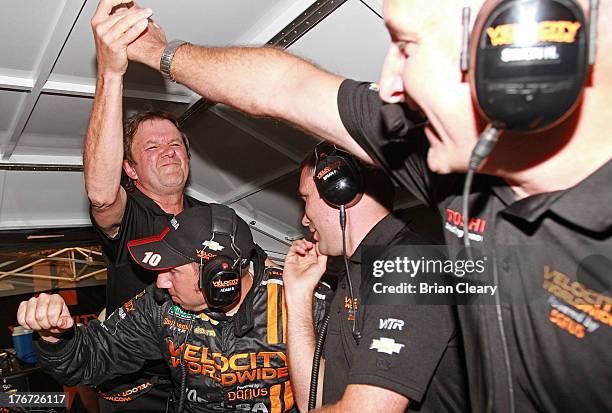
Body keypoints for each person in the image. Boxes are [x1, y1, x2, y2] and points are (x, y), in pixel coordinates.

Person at [120, 0, 612, 411]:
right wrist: (155, 51)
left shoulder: (415, 264)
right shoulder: (441, 183)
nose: (390, 84)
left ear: (525, 54)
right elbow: (281, 87)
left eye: (408, 47)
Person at [17, 205, 306, 413]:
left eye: (173, 271)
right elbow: (93, 356)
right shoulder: (160, 305)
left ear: (220, 279)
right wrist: (55, 337)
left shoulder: (300, 302)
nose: (160, 281)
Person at [85, 1, 207, 409]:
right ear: (131, 170)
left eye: (175, 144)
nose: (169, 152)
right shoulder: (131, 213)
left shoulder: (211, 218)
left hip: (198, 380)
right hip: (135, 393)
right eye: (152, 147)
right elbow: (102, 195)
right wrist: (111, 74)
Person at [282, 144, 467, 412]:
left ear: (339, 189)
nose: (304, 220)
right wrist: (298, 297)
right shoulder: (354, 271)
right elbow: (316, 398)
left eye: (305, 198)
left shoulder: (411, 265)